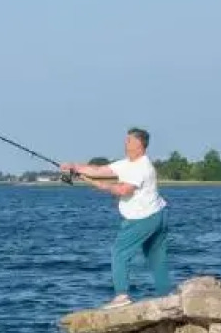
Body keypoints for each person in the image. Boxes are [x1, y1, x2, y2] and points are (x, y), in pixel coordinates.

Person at [61, 128, 172, 308]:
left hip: (142, 218)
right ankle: (167, 297)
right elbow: (99, 169)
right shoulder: (127, 164)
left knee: (119, 253)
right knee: (155, 258)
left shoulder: (142, 167)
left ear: (139, 144)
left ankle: (122, 296)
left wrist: (98, 185)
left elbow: (122, 190)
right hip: (158, 214)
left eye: (128, 140)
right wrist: (74, 166)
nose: (124, 143)